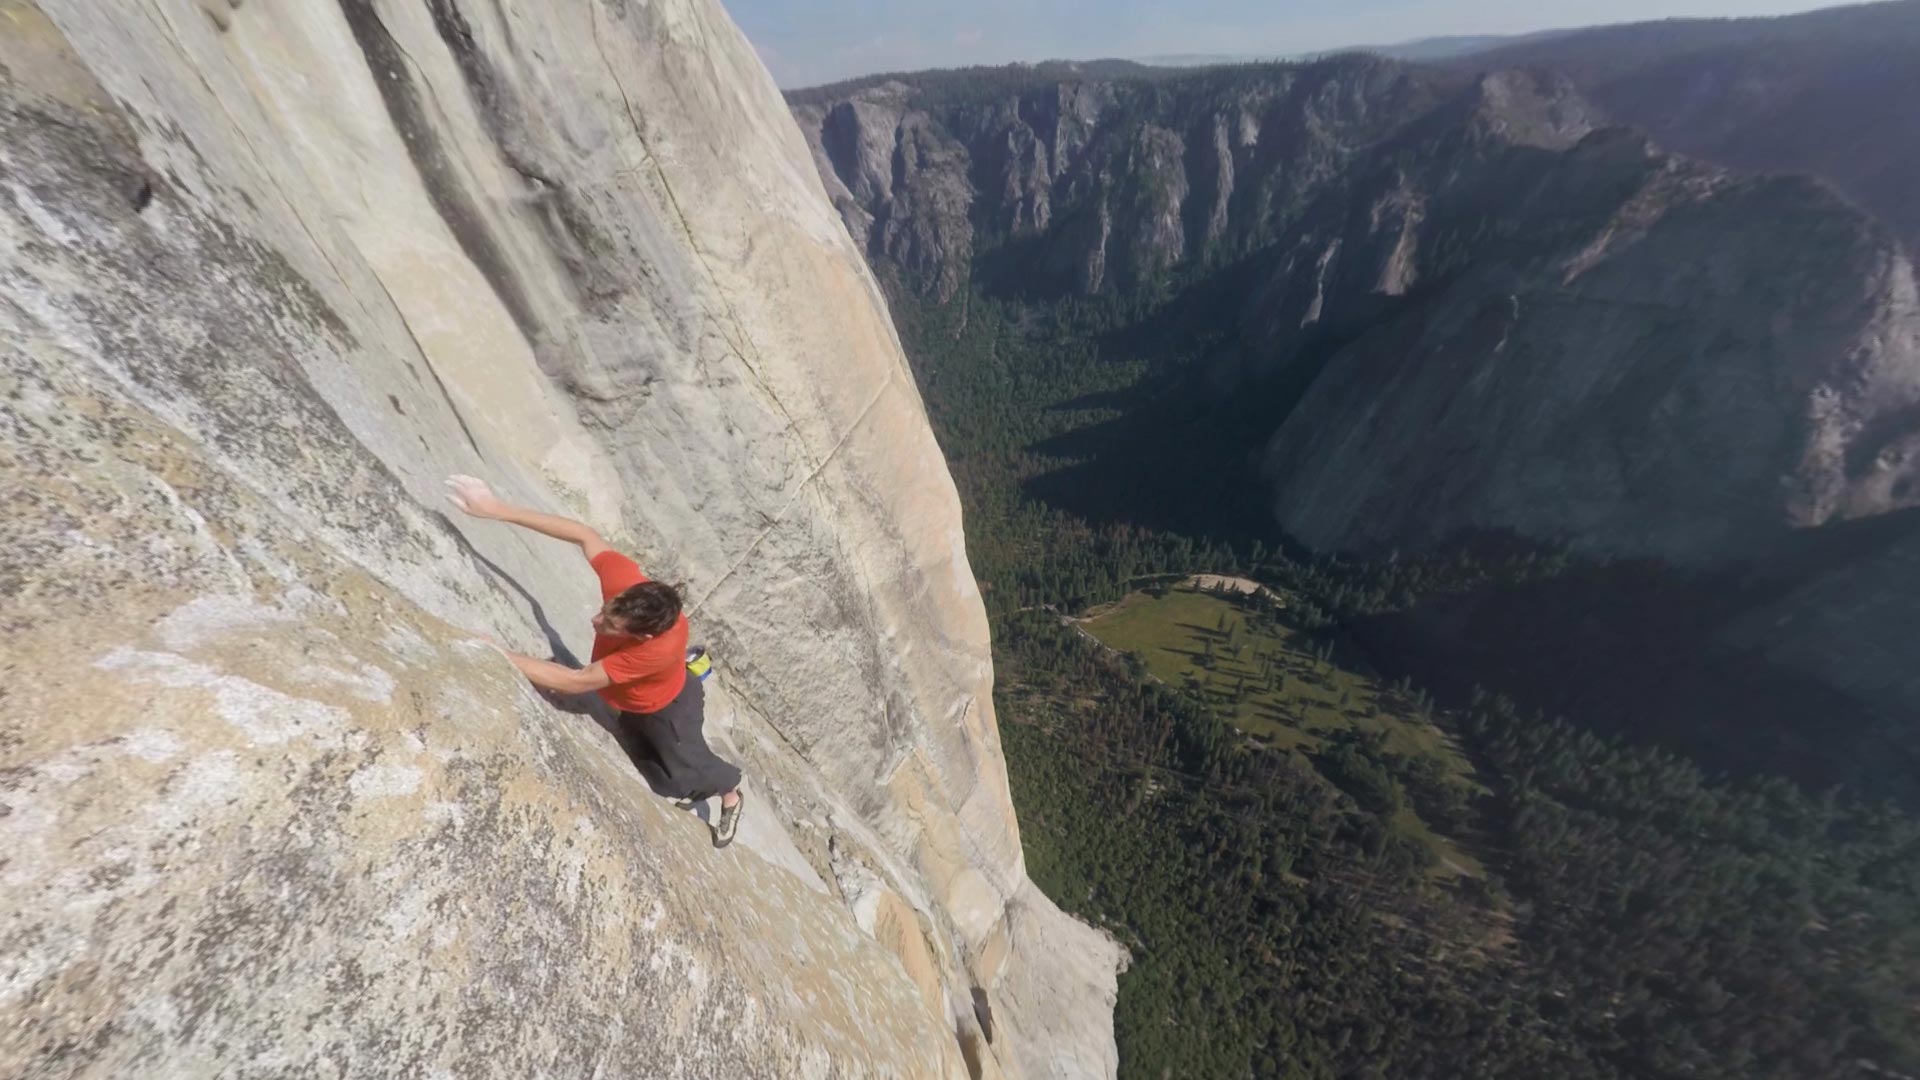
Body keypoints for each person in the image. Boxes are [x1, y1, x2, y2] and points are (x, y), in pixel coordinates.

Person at [445, 475, 745, 848]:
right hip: (634, 701)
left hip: (668, 709)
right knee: (653, 772)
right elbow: (584, 535)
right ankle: (690, 782)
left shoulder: (654, 651)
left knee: (682, 775)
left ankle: (731, 792)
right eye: (606, 610)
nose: (596, 621)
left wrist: (500, 654)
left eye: (610, 625)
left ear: (642, 637)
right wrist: (496, 509)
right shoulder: (627, 588)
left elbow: (575, 681)